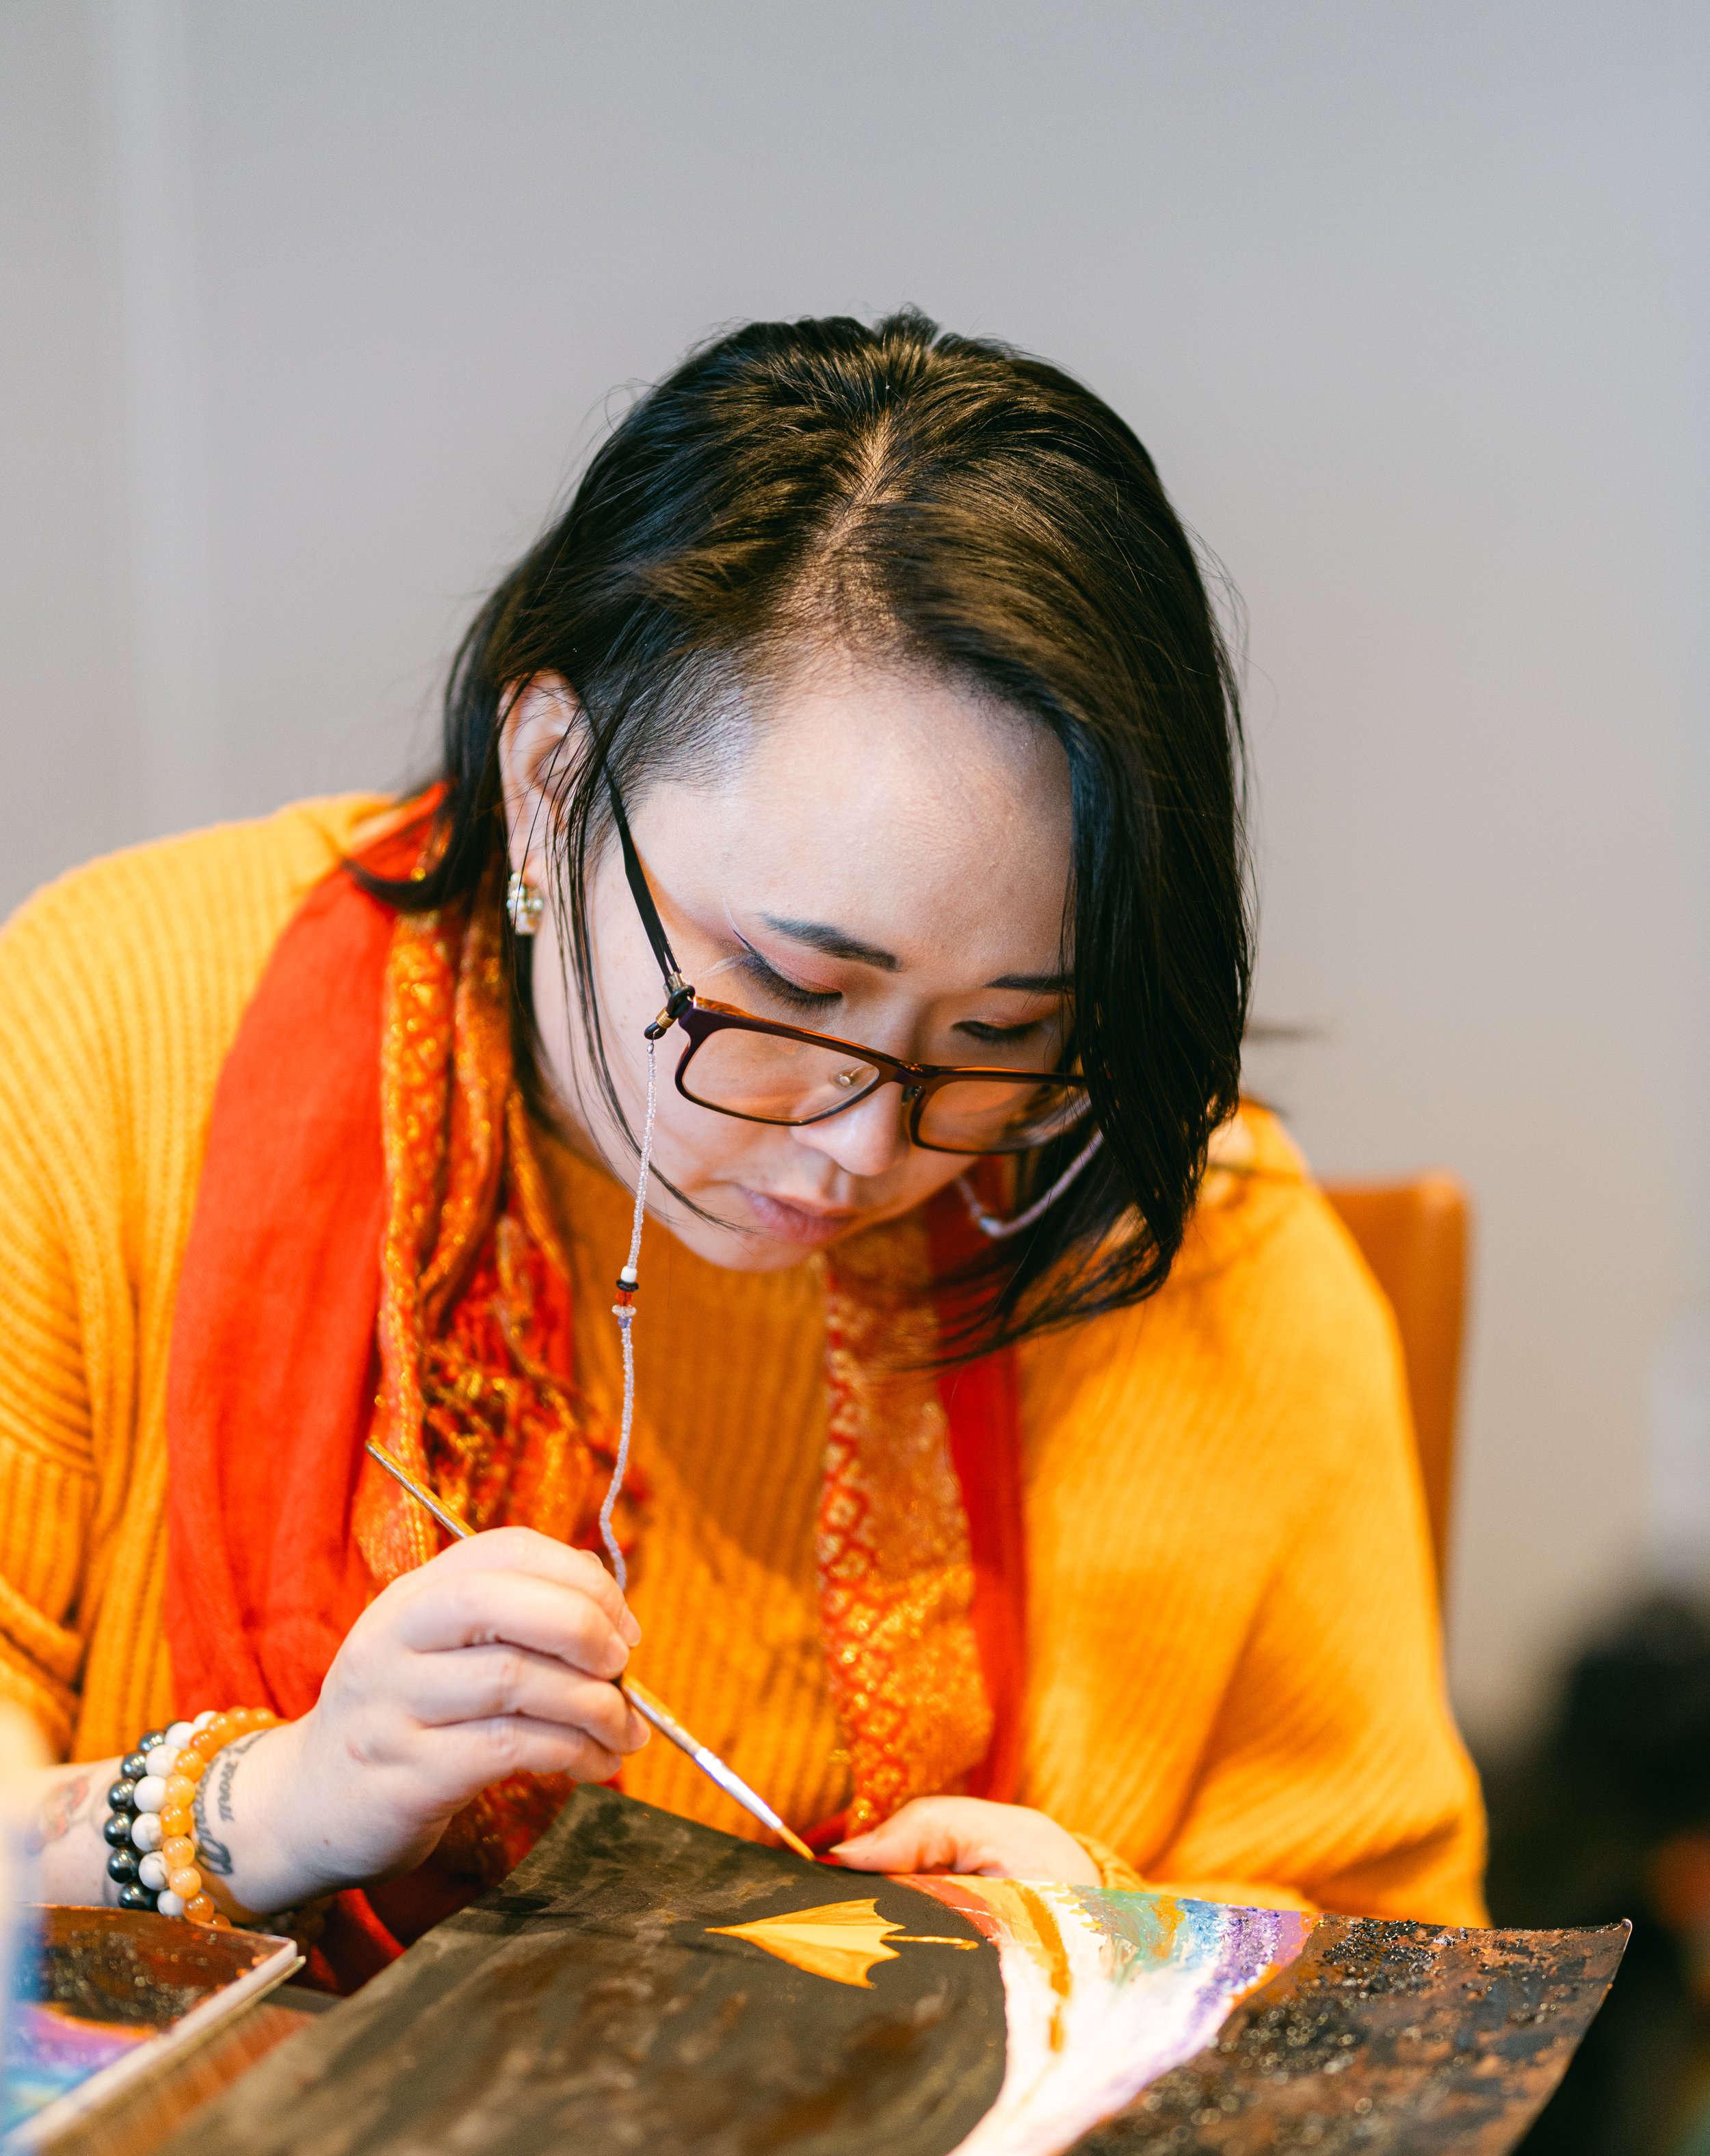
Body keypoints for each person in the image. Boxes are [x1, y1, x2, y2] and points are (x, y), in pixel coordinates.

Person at [3, 312, 1483, 1990]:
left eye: (999, 1038)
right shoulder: (128, 1031)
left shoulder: (1197, 1251)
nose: (862, 1144)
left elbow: (1396, 1994)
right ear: (553, 772)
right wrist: (260, 1806)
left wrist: (1124, 1954)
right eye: (786, 987)